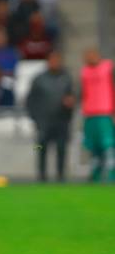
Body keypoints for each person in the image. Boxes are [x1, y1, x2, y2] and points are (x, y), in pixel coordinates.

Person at [26, 51, 75, 182]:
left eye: (57, 60)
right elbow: (30, 100)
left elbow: (72, 97)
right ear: (48, 62)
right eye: (52, 60)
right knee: (40, 148)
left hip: (61, 122)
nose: (55, 63)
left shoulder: (66, 78)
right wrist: (35, 118)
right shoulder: (39, 79)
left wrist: (69, 104)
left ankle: (60, 177)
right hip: (43, 123)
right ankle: (42, 177)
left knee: (61, 149)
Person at [80, 48, 115, 182]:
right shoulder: (84, 72)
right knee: (93, 146)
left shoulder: (108, 68)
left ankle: (112, 173)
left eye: (92, 55)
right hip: (90, 113)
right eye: (87, 56)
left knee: (108, 145)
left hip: (105, 112)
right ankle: (95, 173)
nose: (90, 58)